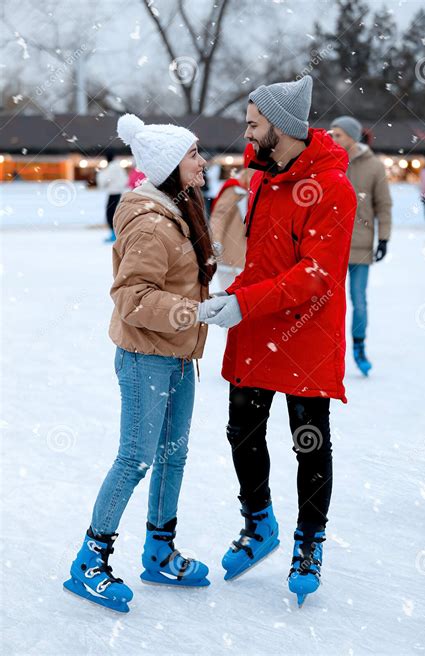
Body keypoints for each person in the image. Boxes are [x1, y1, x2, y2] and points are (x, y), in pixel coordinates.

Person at [64, 114, 227, 613]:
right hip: (145, 357)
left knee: (174, 454)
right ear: (171, 166)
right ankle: (90, 561)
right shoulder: (152, 223)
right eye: (194, 156)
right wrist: (193, 311)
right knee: (136, 456)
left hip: (179, 355)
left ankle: (159, 549)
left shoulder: (183, 210)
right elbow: (132, 298)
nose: (202, 164)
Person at [205, 76, 357, 606]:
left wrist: (247, 301)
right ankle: (259, 522)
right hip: (257, 325)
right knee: (241, 429)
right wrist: (231, 296)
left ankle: (309, 541)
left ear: (282, 128)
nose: (246, 133)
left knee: (308, 441)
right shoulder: (265, 176)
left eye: (253, 123)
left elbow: (317, 275)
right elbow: (263, 259)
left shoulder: (332, 188)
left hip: (307, 333)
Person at [330, 116, 392, 376]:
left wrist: (384, 238)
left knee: (358, 300)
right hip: (331, 246)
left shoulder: (374, 166)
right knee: (327, 302)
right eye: (331, 134)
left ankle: (358, 346)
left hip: (360, 245)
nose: (333, 139)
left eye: (338, 135)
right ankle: (331, 351)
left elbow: (383, 204)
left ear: (352, 137)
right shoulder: (329, 162)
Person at [210, 166, 253, 290]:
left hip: (248, 259)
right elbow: (218, 218)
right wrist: (216, 243)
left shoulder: (256, 191)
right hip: (231, 257)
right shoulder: (234, 189)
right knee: (229, 295)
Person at [96, 151, 128, 242]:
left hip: (113, 193)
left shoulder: (111, 167)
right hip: (118, 192)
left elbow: (103, 180)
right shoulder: (119, 167)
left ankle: (114, 234)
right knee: (114, 213)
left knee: (110, 214)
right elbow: (125, 179)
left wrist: (100, 173)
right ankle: (115, 233)